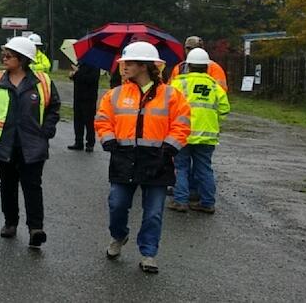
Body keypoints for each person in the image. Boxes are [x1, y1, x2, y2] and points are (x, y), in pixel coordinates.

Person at [95, 41, 191, 274]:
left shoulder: (171, 95)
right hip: (123, 158)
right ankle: (119, 236)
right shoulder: (115, 94)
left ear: (144, 66)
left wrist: (169, 148)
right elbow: (103, 119)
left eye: (128, 62)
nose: (123, 67)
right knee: (117, 204)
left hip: (157, 159)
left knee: (154, 212)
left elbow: (182, 124)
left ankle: (148, 253)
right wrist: (107, 139)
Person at [0, 36, 60, 248]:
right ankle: (10, 223)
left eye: (9, 55)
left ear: (22, 59)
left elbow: (53, 108)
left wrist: (47, 130)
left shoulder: (42, 82)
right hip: (3, 142)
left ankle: (35, 228)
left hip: (32, 143)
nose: (4, 58)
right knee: (8, 184)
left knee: (32, 185)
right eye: (4, 54)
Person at [167, 49, 230, 214]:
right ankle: (207, 203)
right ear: (207, 67)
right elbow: (224, 109)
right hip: (207, 136)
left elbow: (166, 106)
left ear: (187, 66)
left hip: (183, 133)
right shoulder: (214, 85)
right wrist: (211, 121)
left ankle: (180, 201)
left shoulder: (178, 83)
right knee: (204, 168)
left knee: (181, 167)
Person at [68, 62, 100, 152]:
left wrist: (78, 72)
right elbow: (77, 77)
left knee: (89, 121)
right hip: (78, 96)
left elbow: (91, 79)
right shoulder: (80, 63)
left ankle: (90, 143)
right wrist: (72, 75)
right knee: (78, 120)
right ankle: (78, 142)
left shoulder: (95, 65)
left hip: (89, 98)